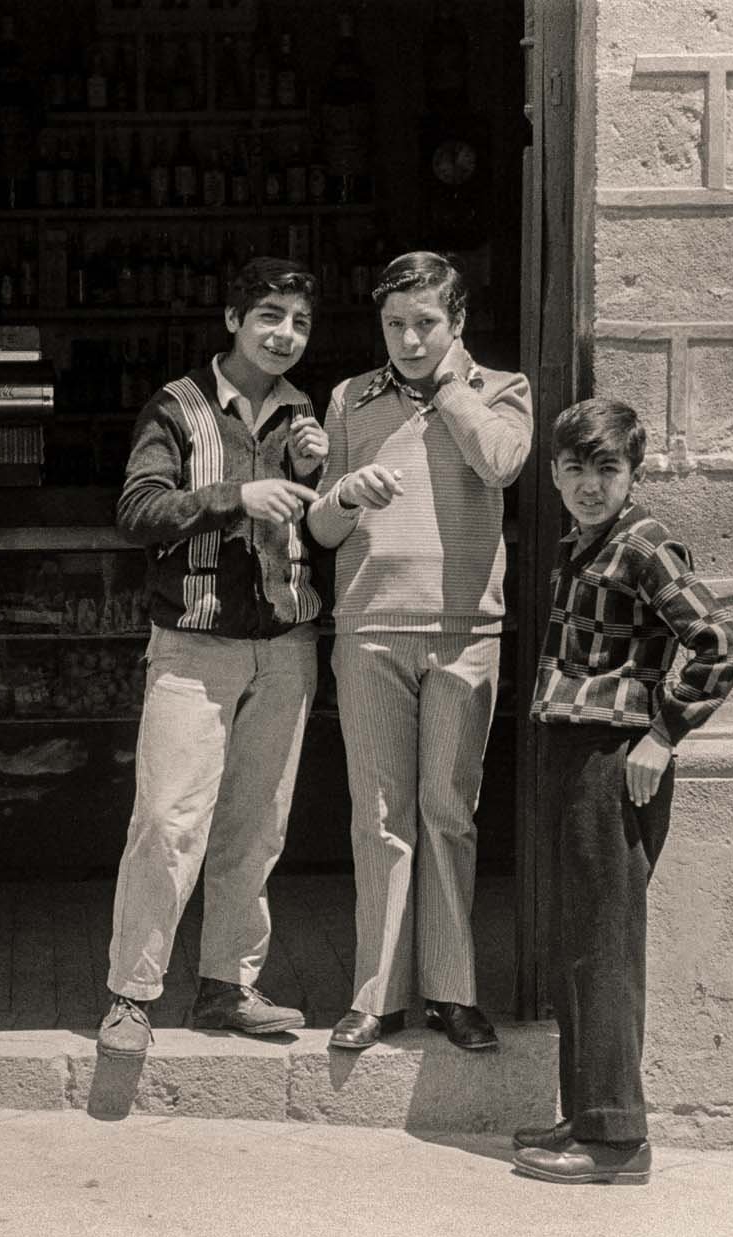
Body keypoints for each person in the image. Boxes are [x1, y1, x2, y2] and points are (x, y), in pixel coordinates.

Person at [97, 256, 331, 1058]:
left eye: (299, 322)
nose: (285, 335)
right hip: (194, 648)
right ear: (232, 320)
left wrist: (319, 474)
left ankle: (228, 986)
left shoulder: (308, 411)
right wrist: (235, 495)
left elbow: (329, 527)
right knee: (167, 822)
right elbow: (136, 508)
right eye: (269, 316)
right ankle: (132, 993)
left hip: (287, 645)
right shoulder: (179, 406)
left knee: (256, 830)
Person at [511, 397, 733, 1185]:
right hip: (572, 752)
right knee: (578, 945)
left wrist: (662, 734)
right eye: (575, 469)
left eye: (606, 469)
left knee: (605, 948)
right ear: (553, 472)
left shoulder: (643, 545)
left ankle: (617, 1141)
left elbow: (719, 643)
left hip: (615, 758)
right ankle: (587, 1114)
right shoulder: (581, 546)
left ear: (632, 474)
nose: (588, 485)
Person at [303, 250, 533, 1053]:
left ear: (457, 322)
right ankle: (377, 995)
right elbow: (320, 528)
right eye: (394, 324)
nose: (407, 339)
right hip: (370, 627)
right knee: (379, 817)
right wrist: (343, 494)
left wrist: (450, 386)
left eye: (425, 323)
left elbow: (502, 463)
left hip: (465, 632)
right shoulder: (348, 401)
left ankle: (453, 991)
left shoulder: (499, 391)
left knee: (447, 812)